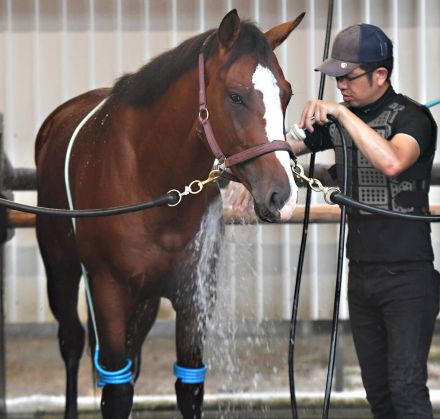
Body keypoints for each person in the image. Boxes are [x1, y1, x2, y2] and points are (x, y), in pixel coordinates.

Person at [226, 23, 439, 418]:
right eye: (335, 78)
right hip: (361, 275)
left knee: (407, 389)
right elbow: (286, 146)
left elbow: (392, 160)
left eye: (348, 76)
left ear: (381, 75)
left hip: (409, 279)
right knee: (379, 394)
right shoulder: (340, 123)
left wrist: (340, 113)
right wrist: (247, 174)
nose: (339, 85)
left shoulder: (414, 118)